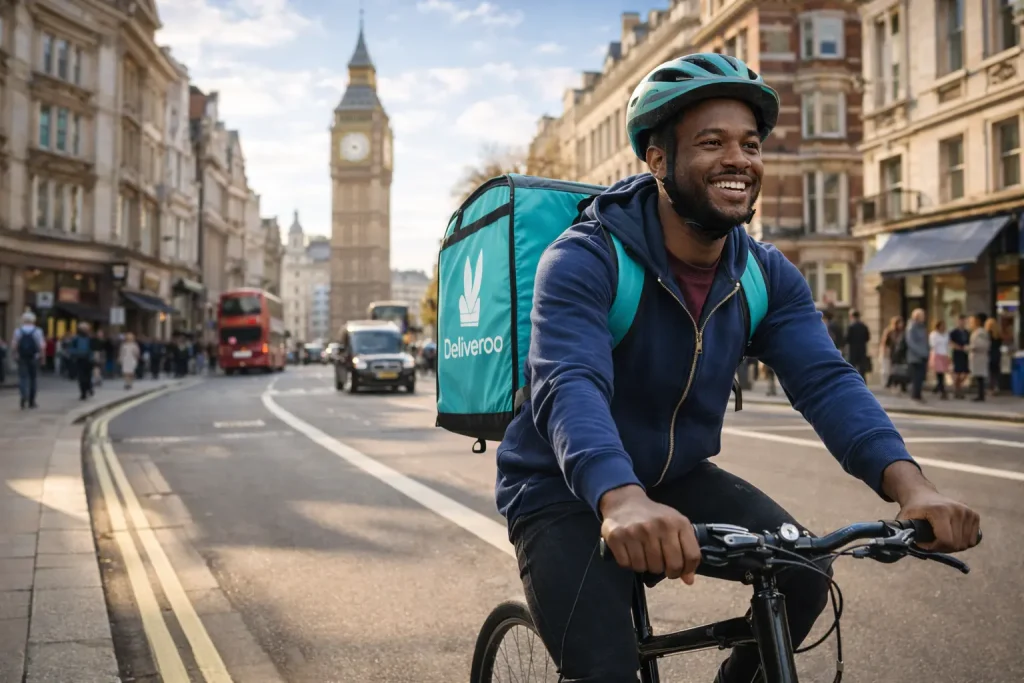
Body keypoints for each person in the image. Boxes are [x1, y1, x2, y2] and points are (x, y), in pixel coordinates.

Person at [494, 53, 981, 683]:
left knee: (804, 572)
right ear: (658, 159)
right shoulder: (585, 259)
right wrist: (620, 499)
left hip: (674, 476)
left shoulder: (764, 273)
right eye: (712, 142)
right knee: (605, 670)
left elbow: (826, 382)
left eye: (750, 144)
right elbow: (569, 384)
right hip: (562, 485)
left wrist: (913, 488)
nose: (739, 160)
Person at [12, 311, 45, 409]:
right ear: (33, 320)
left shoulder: (18, 331)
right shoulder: (37, 331)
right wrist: (43, 358)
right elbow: (41, 346)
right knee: (33, 379)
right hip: (34, 357)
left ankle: (23, 396)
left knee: (23, 378)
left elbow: (14, 345)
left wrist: (14, 354)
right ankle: (31, 401)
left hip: (22, 357)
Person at [905, 308, 929, 402]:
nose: (924, 318)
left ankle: (918, 394)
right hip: (915, 357)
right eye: (922, 316)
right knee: (916, 377)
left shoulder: (922, 327)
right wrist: (921, 352)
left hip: (923, 355)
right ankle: (915, 395)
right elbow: (911, 343)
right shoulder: (911, 327)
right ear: (917, 317)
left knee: (921, 376)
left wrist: (927, 351)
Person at [949, 315, 970, 398]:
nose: (962, 323)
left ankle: (958, 386)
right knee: (957, 372)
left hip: (965, 353)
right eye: (961, 321)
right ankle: (957, 390)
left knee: (965, 372)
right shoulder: (954, 332)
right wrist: (957, 347)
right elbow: (950, 342)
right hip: (957, 353)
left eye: (964, 321)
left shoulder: (967, 332)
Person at [845, 310, 870, 380]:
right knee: (862, 369)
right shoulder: (864, 326)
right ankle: (863, 382)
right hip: (862, 349)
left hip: (852, 350)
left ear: (852, 317)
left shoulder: (851, 326)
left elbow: (847, 338)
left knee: (851, 367)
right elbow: (867, 338)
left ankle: (852, 381)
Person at [928, 320, 950, 399]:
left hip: (944, 354)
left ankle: (937, 388)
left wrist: (948, 355)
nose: (943, 327)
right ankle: (942, 391)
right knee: (940, 373)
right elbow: (932, 345)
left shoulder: (946, 334)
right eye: (942, 326)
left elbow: (947, 344)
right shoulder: (934, 334)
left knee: (942, 373)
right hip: (937, 354)